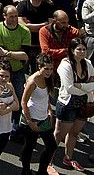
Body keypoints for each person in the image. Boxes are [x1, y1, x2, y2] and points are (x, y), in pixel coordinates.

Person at [54, 40, 94, 171]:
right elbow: (70, 88)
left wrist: (82, 86)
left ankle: (68, 158)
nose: (82, 52)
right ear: (72, 50)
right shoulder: (65, 65)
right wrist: (87, 88)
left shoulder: (88, 64)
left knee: (74, 133)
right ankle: (48, 161)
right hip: (68, 103)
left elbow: (93, 83)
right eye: (79, 49)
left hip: (83, 104)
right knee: (59, 134)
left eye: (84, 49)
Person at [18, 55, 58, 175]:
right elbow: (23, 101)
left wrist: (50, 109)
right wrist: (30, 122)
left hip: (43, 117)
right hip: (31, 118)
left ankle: (41, 171)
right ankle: (25, 170)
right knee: (30, 146)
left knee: (51, 146)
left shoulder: (49, 78)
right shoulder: (32, 81)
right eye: (46, 69)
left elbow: (45, 97)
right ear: (39, 67)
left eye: (51, 69)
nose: (49, 72)